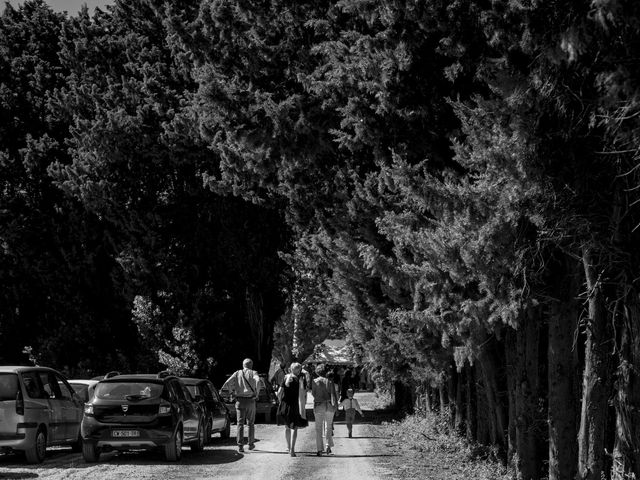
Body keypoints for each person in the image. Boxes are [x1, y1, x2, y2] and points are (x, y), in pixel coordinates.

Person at [222, 358, 261, 452]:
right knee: (250, 423)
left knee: (240, 424)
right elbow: (258, 381)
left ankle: (240, 446)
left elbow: (227, 383)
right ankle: (251, 444)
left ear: (243, 365)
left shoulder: (237, 373)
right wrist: (257, 393)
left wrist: (232, 392)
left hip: (239, 400)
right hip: (250, 400)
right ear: (251, 365)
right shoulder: (254, 373)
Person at [276, 362, 308, 457]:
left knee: (287, 427)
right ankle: (292, 450)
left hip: (284, 405)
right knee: (294, 427)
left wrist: (280, 401)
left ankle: (288, 447)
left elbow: (279, 392)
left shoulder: (285, 377)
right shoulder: (299, 380)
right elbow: (303, 394)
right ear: (298, 370)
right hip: (294, 406)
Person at [311, 363, 338, 456]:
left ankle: (319, 449)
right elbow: (333, 394)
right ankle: (328, 446)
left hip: (319, 405)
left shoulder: (314, 381)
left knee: (318, 428)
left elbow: (313, 394)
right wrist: (336, 406)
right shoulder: (329, 381)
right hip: (329, 404)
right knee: (328, 426)